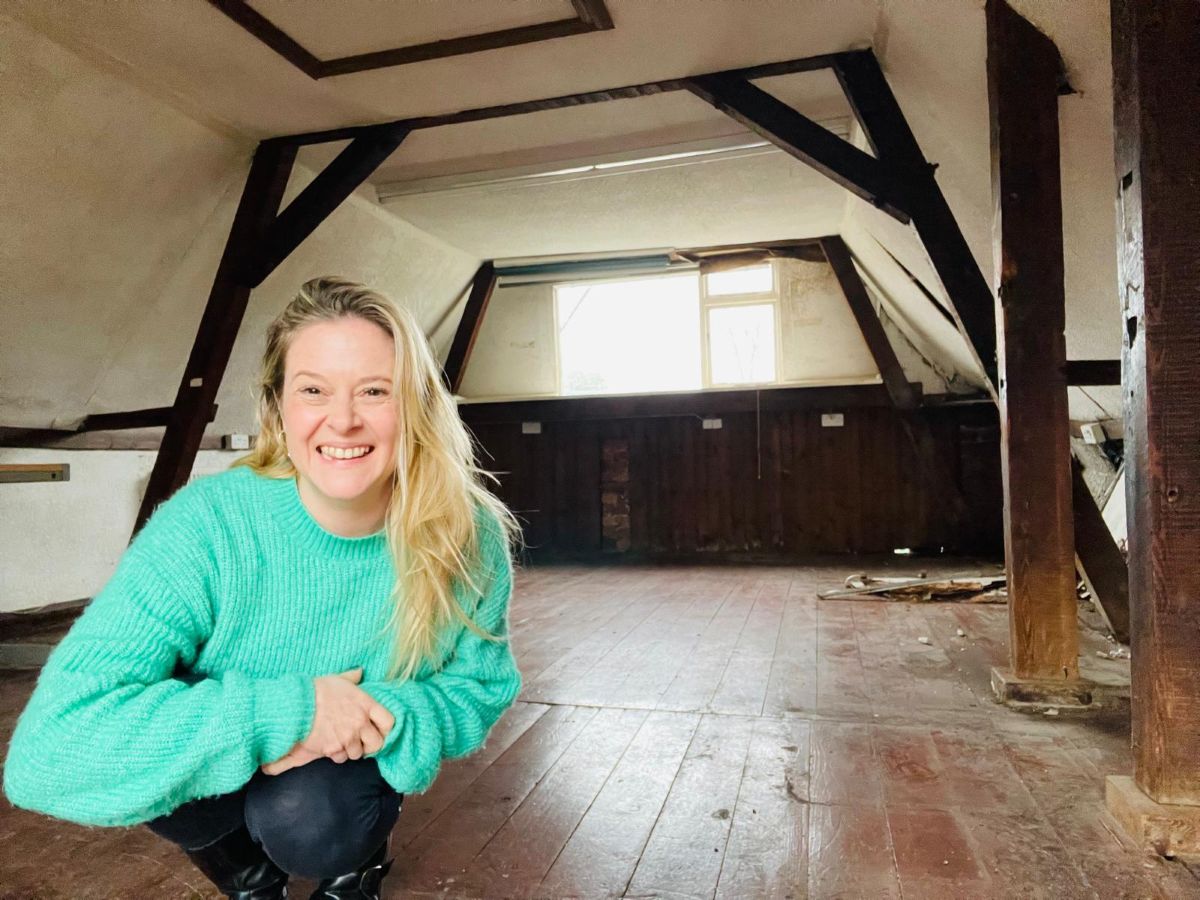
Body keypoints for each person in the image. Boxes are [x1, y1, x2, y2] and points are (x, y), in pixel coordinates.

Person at [3, 277, 523, 900]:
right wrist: (293, 715)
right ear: (278, 409)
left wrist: (368, 716)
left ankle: (356, 863)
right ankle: (249, 876)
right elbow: (47, 754)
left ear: (415, 404)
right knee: (160, 767)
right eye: (313, 390)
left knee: (312, 816)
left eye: (375, 390)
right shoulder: (206, 526)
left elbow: (480, 685)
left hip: (340, 770)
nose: (344, 420)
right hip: (234, 732)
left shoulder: (466, 532)